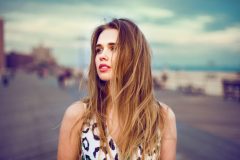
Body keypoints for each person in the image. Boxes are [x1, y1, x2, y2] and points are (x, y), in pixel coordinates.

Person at [58, 18, 177, 160]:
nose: (102, 56)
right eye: (98, 50)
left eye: (113, 48)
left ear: (134, 56)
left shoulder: (162, 117)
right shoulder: (78, 115)